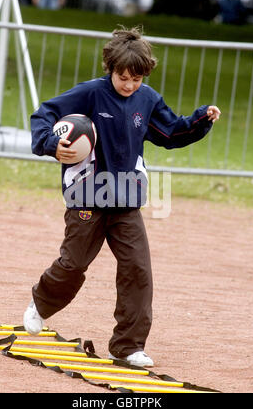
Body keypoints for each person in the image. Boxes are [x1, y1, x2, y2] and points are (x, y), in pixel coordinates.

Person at [23, 27, 221, 368]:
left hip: (126, 199)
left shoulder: (148, 99)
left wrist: (201, 119)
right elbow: (44, 114)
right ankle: (40, 304)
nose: (129, 85)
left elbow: (172, 132)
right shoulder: (90, 93)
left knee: (138, 269)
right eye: (123, 77)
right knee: (73, 265)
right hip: (87, 195)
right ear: (110, 68)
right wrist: (51, 144)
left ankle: (128, 346)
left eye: (137, 79)